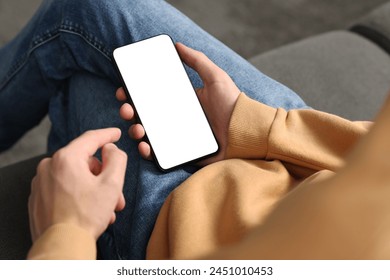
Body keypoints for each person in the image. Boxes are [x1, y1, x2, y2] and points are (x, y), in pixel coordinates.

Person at [1, 0, 385, 259]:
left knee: (78, 68)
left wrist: (68, 232)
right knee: (92, 12)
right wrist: (255, 124)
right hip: (307, 154)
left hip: (183, 238)